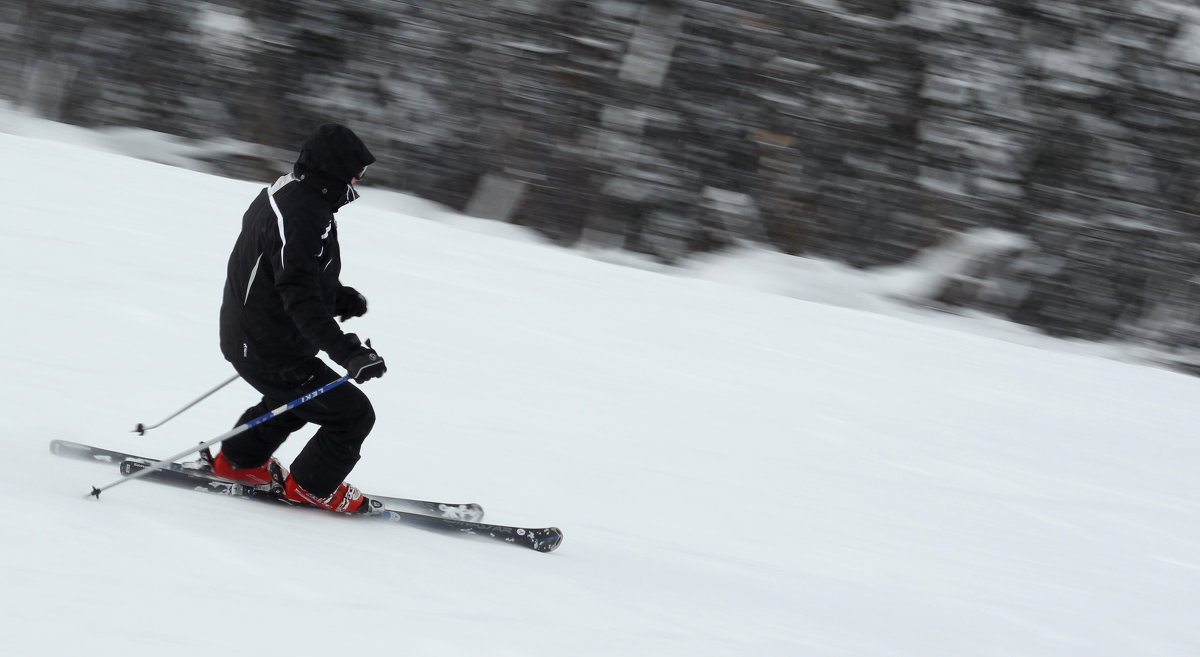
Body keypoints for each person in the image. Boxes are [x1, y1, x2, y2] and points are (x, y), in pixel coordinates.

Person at [214, 123, 387, 513]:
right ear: (333, 168)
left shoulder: (293, 193)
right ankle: (311, 487)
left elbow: (292, 271)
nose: (359, 180)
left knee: (293, 400)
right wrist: (347, 352)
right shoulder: (304, 212)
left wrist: (336, 296)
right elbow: (298, 291)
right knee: (353, 414)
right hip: (268, 345)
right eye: (356, 171)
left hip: (259, 335)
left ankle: (238, 462)